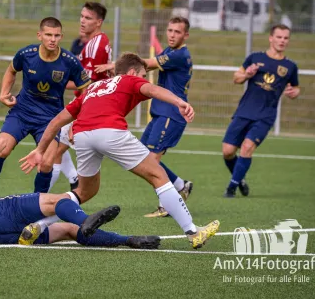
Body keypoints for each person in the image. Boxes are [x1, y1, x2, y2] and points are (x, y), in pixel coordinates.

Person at [20, 53, 220, 249]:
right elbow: (152, 90)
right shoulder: (129, 80)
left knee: (84, 191)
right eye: (141, 75)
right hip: (110, 131)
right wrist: (179, 102)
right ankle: (194, 232)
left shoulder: (93, 88)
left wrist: (40, 149)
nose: (142, 80)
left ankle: (38, 224)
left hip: (82, 136)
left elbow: (57, 121)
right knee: (158, 175)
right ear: (132, 72)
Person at [0, 135, 161, 250]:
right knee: (55, 202)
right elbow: (1, 143)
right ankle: (94, 224)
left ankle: (128, 240)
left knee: (67, 231)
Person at [0, 17, 91, 195]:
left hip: (50, 120)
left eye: (57, 35)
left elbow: (86, 90)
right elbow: (11, 70)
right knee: (1, 151)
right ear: (39, 35)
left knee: (46, 162)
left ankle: (36, 208)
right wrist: (4, 93)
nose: (53, 39)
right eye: (48, 35)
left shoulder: (69, 61)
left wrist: (78, 121)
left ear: (61, 36)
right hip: (22, 113)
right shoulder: (26, 54)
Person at [95, 17, 194, 218]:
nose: (172, 34)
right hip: (160, 111)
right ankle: (180, 185)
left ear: (186, 35)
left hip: (171, 113)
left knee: (153, 160)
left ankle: (166, 205)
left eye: (177, 31)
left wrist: (116, 66)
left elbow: (146, 64)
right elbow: (145, 67)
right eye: (170, 30)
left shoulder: (180, 55)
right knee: (145, 155)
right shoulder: (169, 51)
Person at [222, 24, 300, 198]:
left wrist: (294, 92)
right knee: (227, 151)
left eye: (286, 38)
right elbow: (237, 78)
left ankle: (231, 188)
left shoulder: (290, 66)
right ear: (271, 38)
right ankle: (240, 179)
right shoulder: (255, 58)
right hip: (244, 111)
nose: (282, 41)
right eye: (279, 37)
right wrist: (247, 75)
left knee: (247, 147)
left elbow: (296, 88)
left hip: (266, 115)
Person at [50, 2, 113, 192]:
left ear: (99, 22)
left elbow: (89, 85)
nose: (82, 21)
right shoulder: (92, 43)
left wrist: (78, 119)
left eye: (88, 18)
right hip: (88, 104)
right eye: (82, 16)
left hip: (88, 105)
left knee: (53, 152)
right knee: (56, 148)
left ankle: (39, 200)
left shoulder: (96, 44)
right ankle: (73, 182)